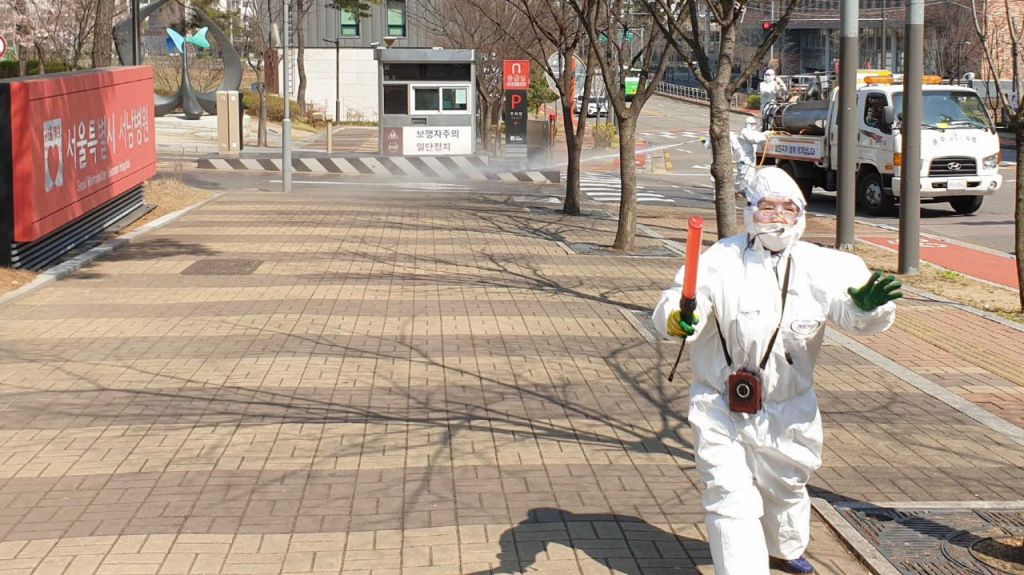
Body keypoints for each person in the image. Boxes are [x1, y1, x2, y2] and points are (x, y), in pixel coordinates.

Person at [653, 167, 902, 575]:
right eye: (767, 207)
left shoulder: (823, 265)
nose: (778, 216)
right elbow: (680, 301)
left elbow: (850, 310)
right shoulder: (719, 260)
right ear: (750, 210)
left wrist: (866, 307)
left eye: (789, 208)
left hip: (789, 409)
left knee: (785, 487)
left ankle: (783, 547)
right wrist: (677, 319)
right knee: (729, 498)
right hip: (719, 404)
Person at [731, 117, 770, 194]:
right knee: (744, 175)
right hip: (743, 158)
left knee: (750, 175)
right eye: (752, 124)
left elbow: (758, 135)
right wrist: (765, 136)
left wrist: (765, 133)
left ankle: (745, 191)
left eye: (754, 124)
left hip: (750, 157)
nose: (753, 125)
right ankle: (741, 190)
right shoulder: (744, 132)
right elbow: (754, 139)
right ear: (747, 124)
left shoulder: (752, 132)